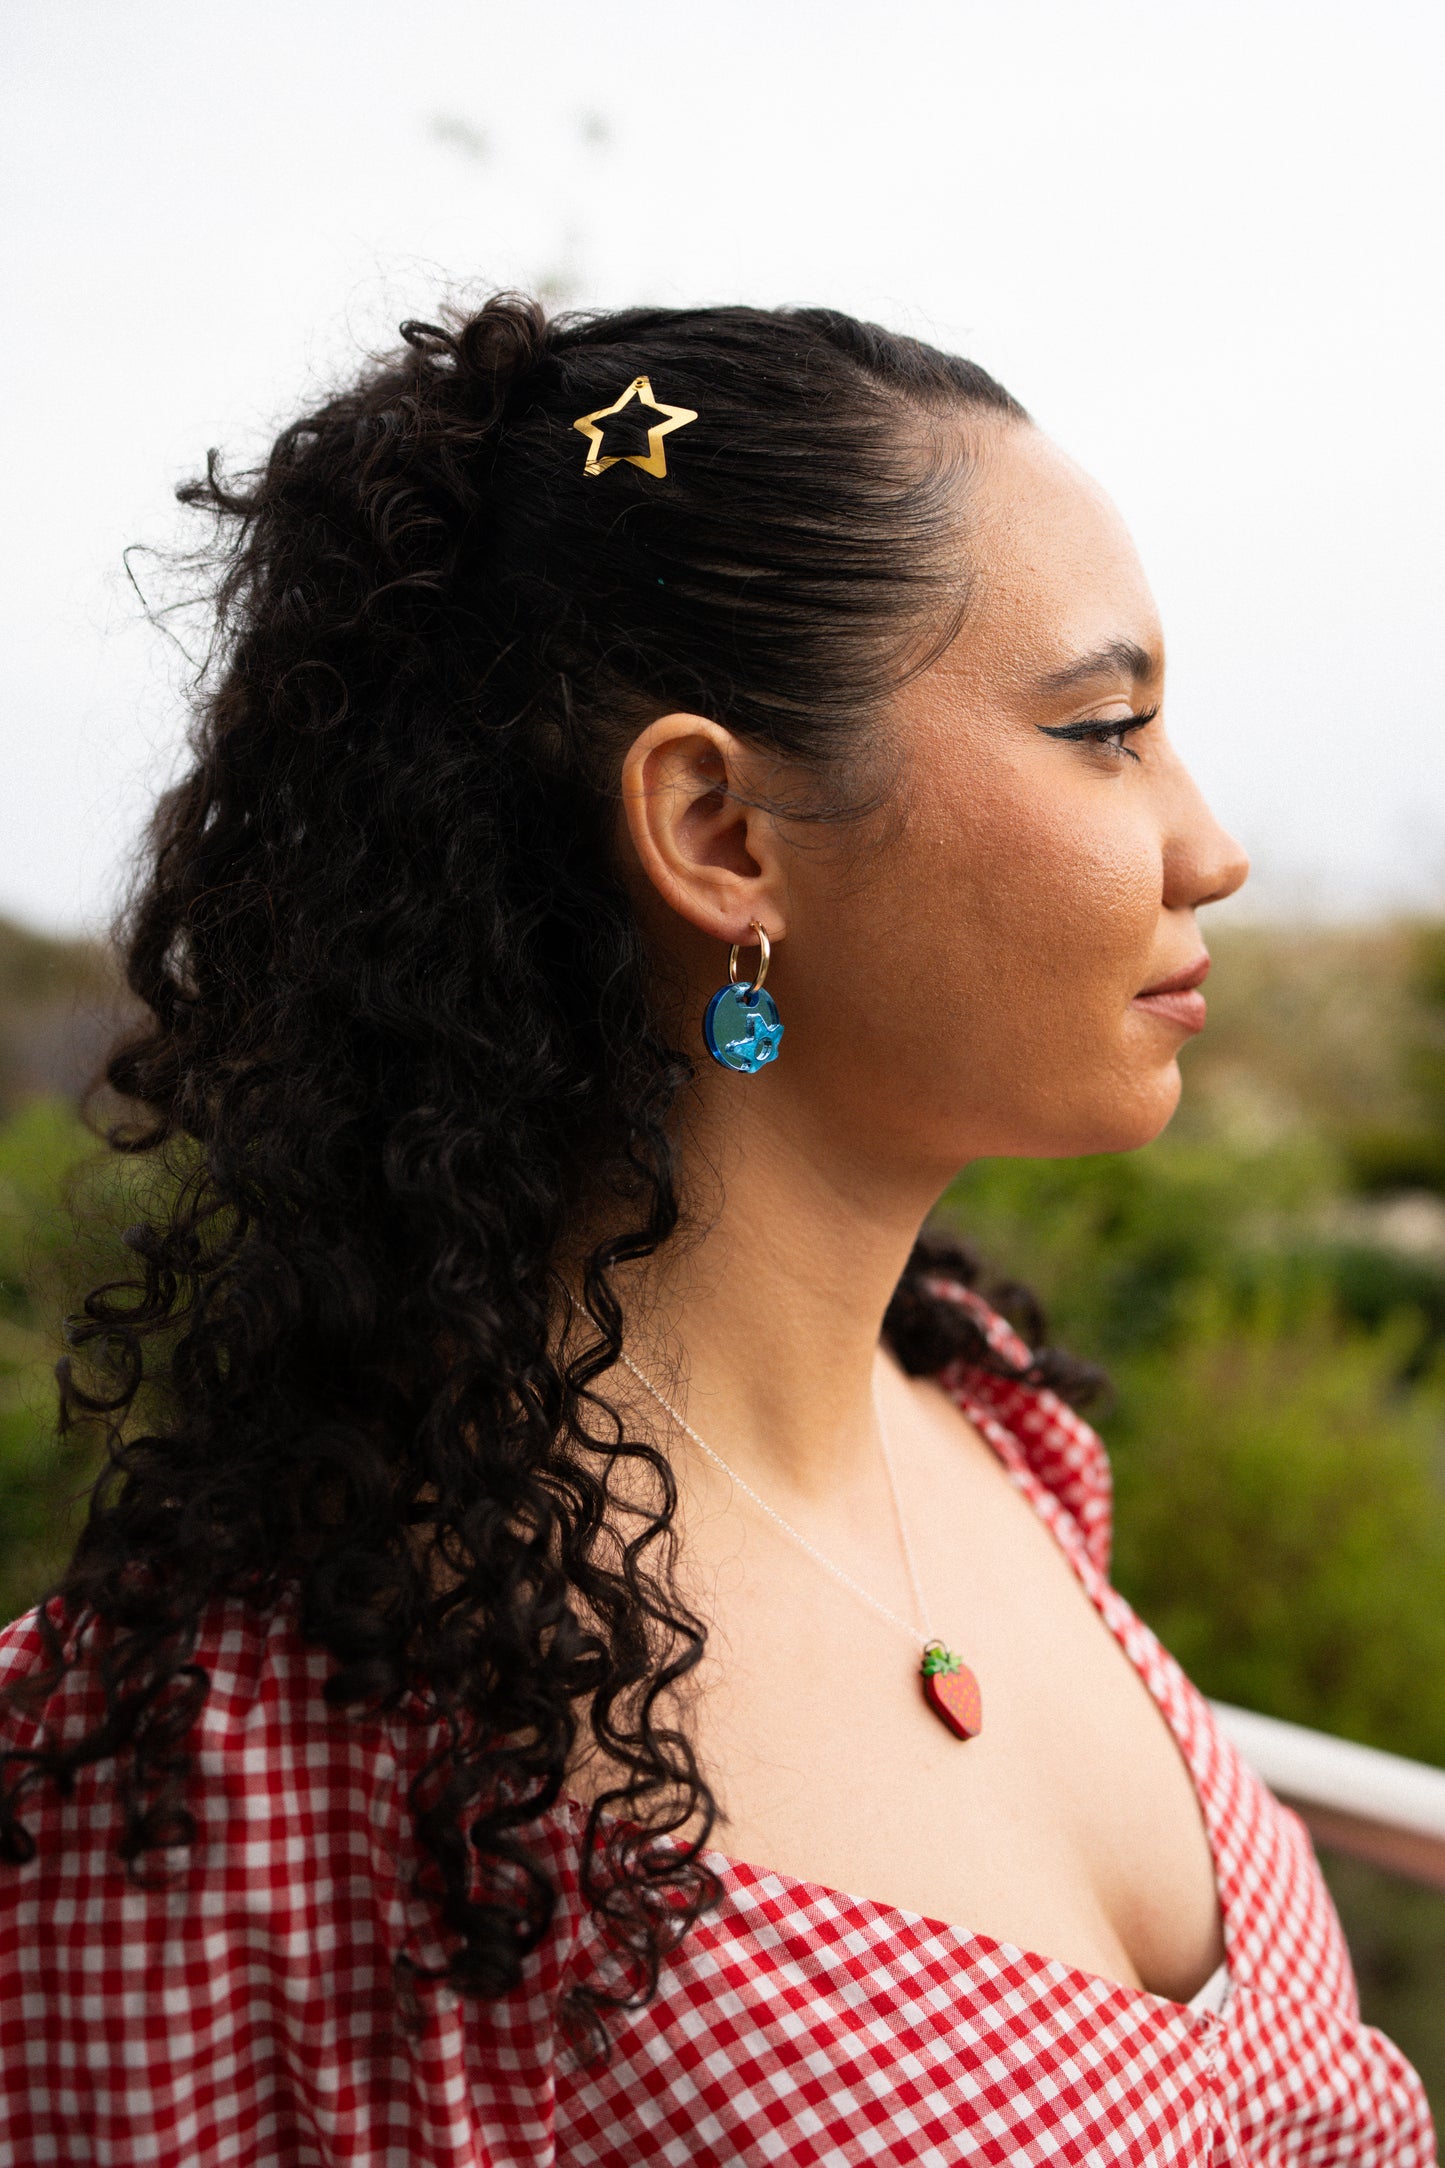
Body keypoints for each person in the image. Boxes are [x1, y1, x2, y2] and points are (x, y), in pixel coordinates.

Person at [0, 296, 1433, 2166]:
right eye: (1104, 729)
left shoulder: (989, 1427)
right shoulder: (212, 1775)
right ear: (720, 830)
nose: (1208, 842)